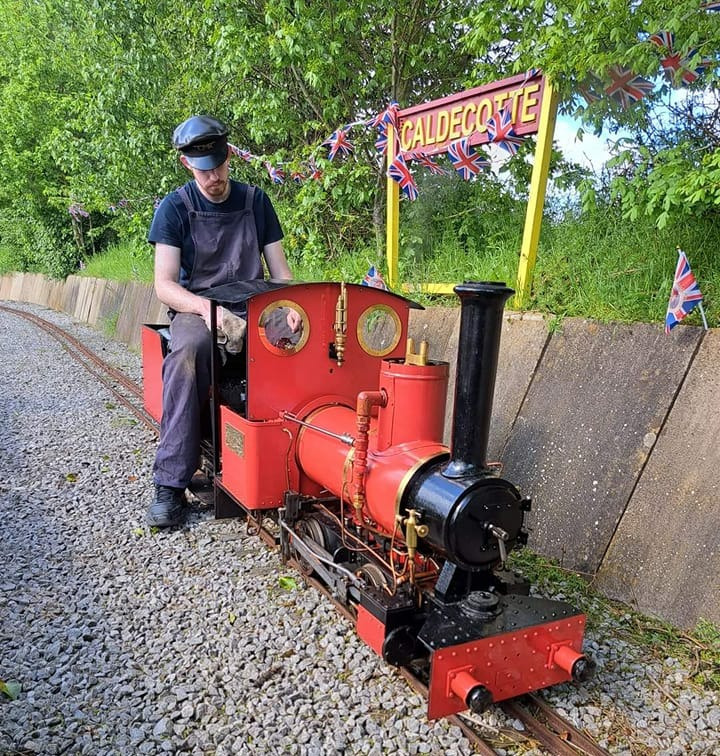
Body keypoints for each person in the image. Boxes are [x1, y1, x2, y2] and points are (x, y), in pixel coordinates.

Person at [146, 114, 297, 527]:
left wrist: (290, 311)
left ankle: (293, 452)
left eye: (219, 165)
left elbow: (280, 275)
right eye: (204, 169)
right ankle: (171, 482)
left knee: (299, 344)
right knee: (190, 353)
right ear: (186, 164)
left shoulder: (256, 201)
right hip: (199, 306)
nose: (214, 176)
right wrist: (208, 311)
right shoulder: (174, 208)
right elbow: (164, 284)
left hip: (256, 304)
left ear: (229, 155)